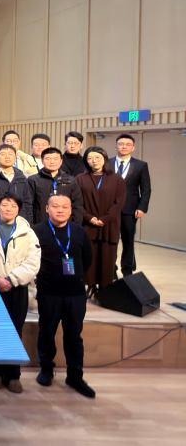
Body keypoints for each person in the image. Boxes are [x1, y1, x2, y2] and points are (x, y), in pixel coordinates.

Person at [33, 194, 95, 398]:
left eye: (65, 207)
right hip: (49, 292)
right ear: (47, 209)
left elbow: (87, 259)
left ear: (70, 210)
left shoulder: (79, 231)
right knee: (46, 332)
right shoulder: (37, 231)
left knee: (74, 336)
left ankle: (75, 376)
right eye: (55, 206)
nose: (60, 210)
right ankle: (46, 370)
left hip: (75, 294)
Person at [0, 193, 41, 394]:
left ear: (19, 209)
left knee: (15, 330)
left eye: (13, 206)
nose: (8, 209)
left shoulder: (27, 233)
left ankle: (13, 374)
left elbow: (33, 262)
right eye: (5, 205)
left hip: (17, 288)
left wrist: (12, 279)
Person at [77, 146, 126, 295]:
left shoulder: (117, 179)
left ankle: (105, 288)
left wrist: (104, 219)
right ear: (86, 161)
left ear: (104, 159)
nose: (94, 161)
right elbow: (77, 203)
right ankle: (90, 285)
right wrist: (89, 218)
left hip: (109, 225)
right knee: (89, 257)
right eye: (90, 158)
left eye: (97, 157)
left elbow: (119, 203)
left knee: (107, 257)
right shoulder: (80, 179)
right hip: (88, 224)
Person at [106, 134, 152, 277]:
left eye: (127, 144)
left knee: (128, 240)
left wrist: (142, 207)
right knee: (110, 240)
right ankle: (110, 269)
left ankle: (127, 270)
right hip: (109, 209)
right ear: (116, 146)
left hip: (130, 209)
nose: (124, 146)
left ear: (133, 148)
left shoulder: (141, 165)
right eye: (121, 144)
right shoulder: (107, 163)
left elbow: (146, 189)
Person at [27, 147, 84, 225]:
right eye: (48, 159)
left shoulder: (70, 180)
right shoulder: (33, 180)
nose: (52, 162)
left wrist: (76, 225)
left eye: (55, 159)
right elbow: (28, 205)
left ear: (61, 161)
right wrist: (30, 225)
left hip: (66, 225)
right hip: (40, 224)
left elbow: (77, 205)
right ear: (42, 161)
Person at [0, 144, 34, 222]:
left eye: (10, 154)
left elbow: (27, 201)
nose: (7, 157)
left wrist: (28, 221)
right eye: (3, 154)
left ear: (15, 157)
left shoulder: (21, 177)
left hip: (20, 220)